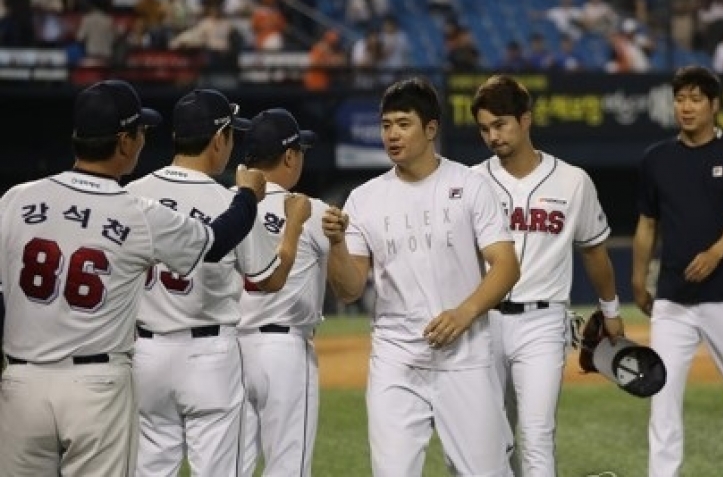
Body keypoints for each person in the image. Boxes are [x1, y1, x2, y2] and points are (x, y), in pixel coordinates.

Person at [0, 79, 267, 477]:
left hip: (20, 384)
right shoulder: (135, 211)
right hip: (97, 385)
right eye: (141, 132)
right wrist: (246, 196)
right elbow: (214, 242)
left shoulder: (16, 198)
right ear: (124, 141)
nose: (143, 141)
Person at [322, 76, 521, 477]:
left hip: (465, 356)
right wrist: (337, 245)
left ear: (430, 129)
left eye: (403, 123)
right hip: (397, 361)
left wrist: (464, 313)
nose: (391, 134)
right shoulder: (364, 199)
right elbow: (349, 289)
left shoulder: (469, 185)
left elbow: (506, 266)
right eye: (386, 125)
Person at [125, 89, 311, 477]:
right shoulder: (231, 201)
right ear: (218, 139)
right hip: (208, 356)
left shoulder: (132, 195)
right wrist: (292, 227)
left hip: (145, 354)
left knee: (149, 469)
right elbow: (269, 279)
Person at [469, 74, 625, 476]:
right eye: (485, 128)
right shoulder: (470, 183)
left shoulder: (573, 181)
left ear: (525, 120)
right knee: (488, 442)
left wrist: (610, 310)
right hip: (482, 322)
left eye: (500, 124)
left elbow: (594, 251)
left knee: (537, 436)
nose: (492, 136)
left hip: (543, 321)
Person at [631, 65, 723, 477]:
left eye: (696, 99)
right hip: (673, 299)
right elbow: (647, 224)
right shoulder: (656, 159)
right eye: (680, 98)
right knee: (661, 398)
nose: (686, 107)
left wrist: (716, 253)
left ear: (715, 105)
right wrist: (638, 278)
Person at [237, 108, 327, 477]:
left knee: (230, 468)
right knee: (287, 468)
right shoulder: (313, 211)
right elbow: (350, 283)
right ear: (290, 156)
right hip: (284, 352)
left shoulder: (222, 206)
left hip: (228, 351)